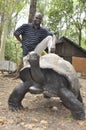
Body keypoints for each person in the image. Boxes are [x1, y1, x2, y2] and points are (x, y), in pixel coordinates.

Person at [14, 12, 56, 93]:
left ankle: (51, 56)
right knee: (27, 74)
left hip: (36, 51)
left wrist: (53, 44)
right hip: (26, 54)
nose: (38, 19)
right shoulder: (26, 26)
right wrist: (21, 42)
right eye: (36, 17)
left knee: (49, 37)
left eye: (39, 18)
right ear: (34, 18)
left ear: (41, 20)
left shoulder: (42, 30)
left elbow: (53, 35)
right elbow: (16, 33)